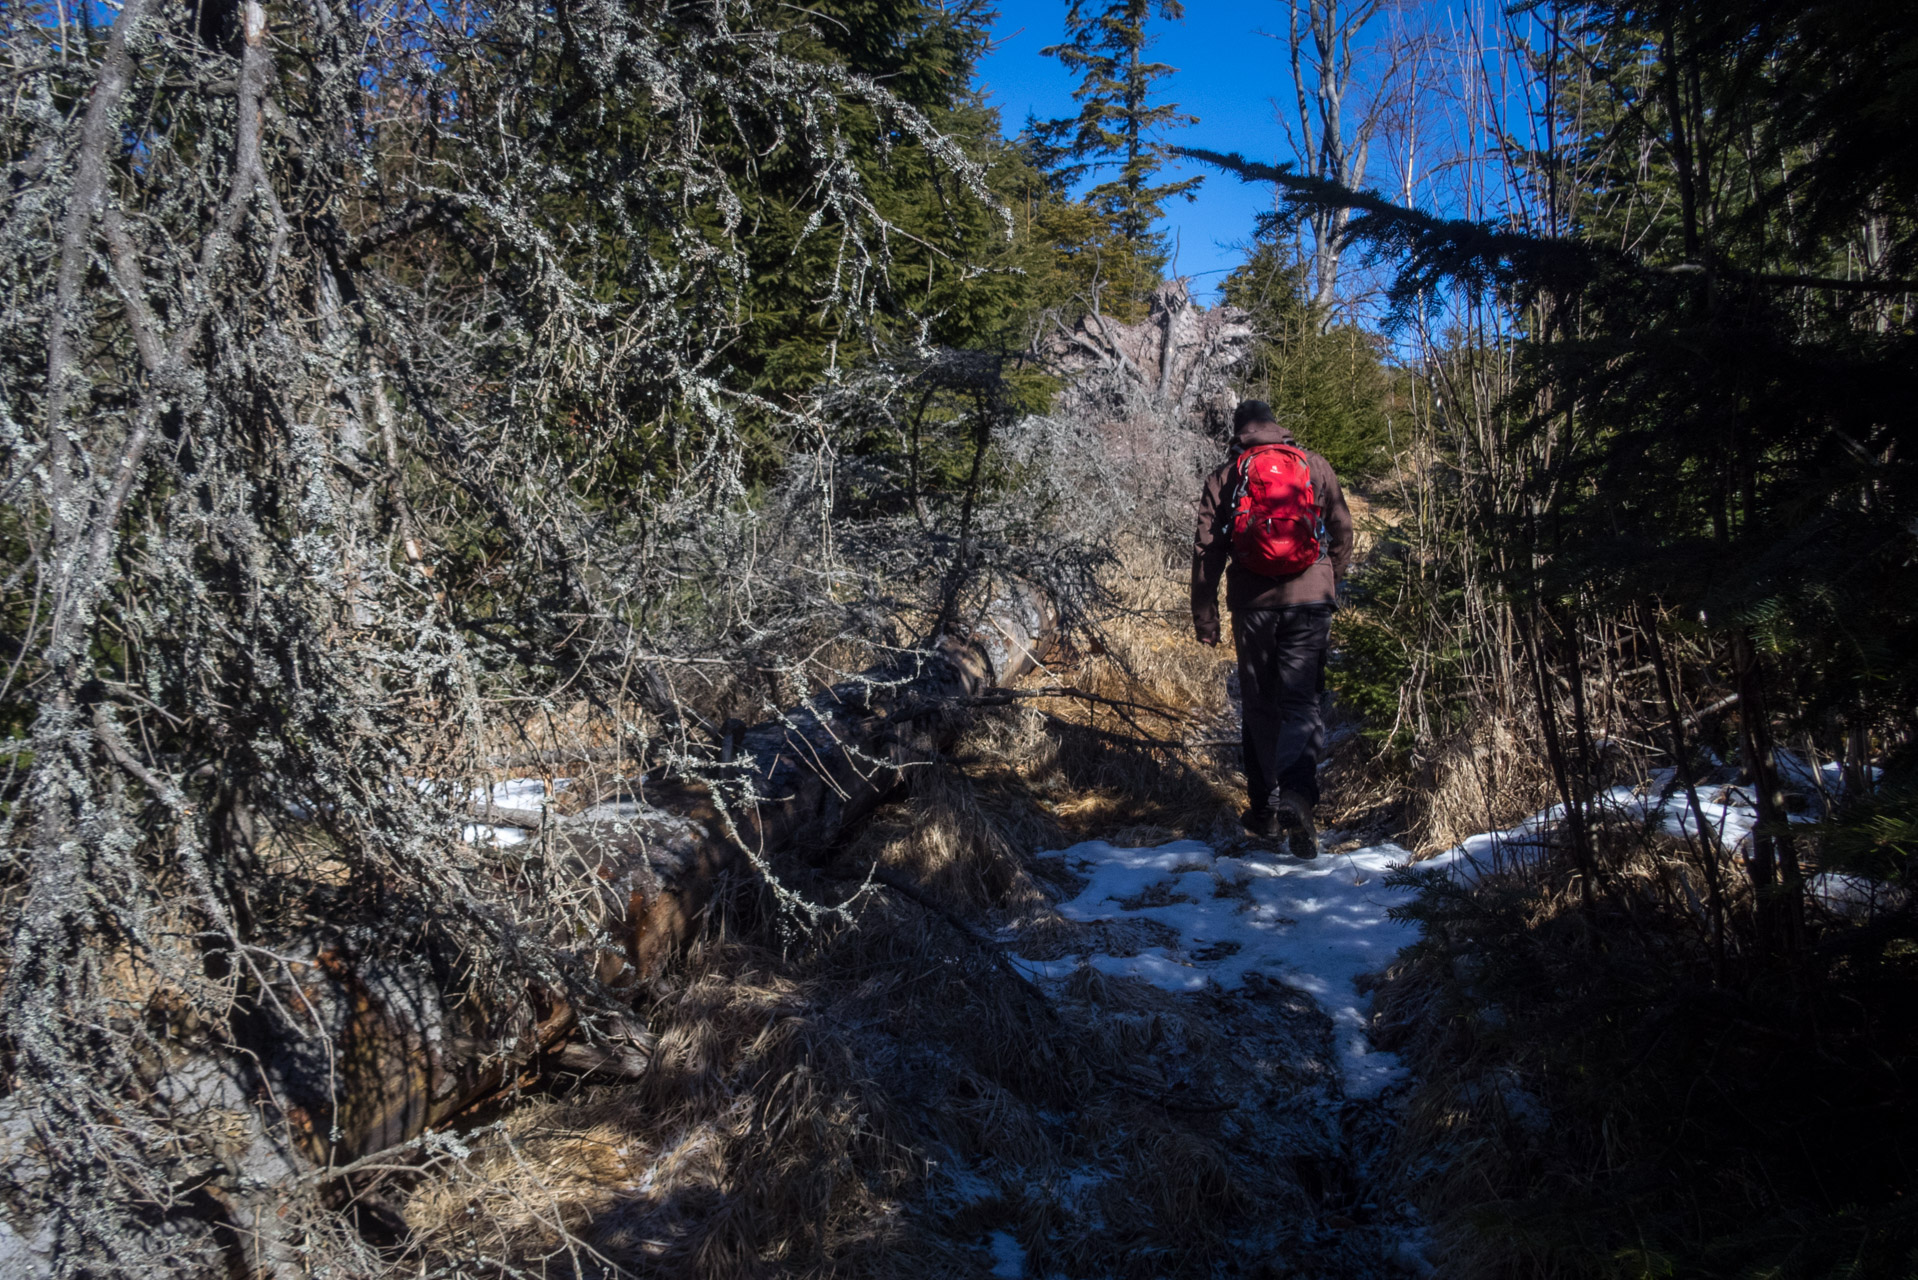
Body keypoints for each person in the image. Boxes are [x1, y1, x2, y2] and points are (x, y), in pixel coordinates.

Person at [1191, 400, 1354, 857]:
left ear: (1239, 431)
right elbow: (1342, 532)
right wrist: (1327, 579)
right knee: (1301, 701)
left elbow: (1207, 554)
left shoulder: (1224, 477)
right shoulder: (1313, 466)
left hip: (1252, 605)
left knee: (1261, 706)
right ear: (1276, 427)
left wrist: (1205, 618)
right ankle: (1298, 795)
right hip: (1311, 599)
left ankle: (1264, 809)